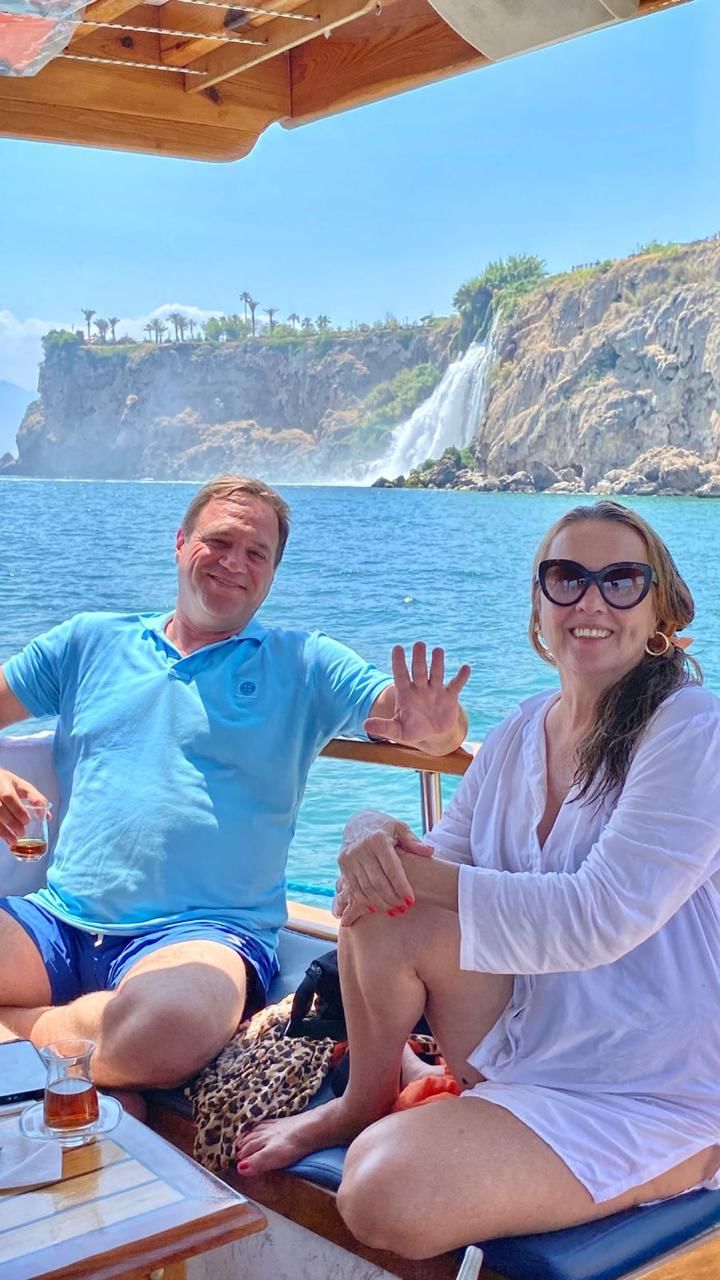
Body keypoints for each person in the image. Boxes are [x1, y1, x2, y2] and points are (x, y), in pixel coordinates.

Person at [235, 500, 720, 1260]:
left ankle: (688, 1164)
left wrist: (394, 864)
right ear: (538, 606)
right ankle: (362, 1102)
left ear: (659, 611)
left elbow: (597, 916)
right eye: (566, 577)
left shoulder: (691, 729)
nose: (591, 600)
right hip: (527, 1035)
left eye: (622, 580)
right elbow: (430, 869)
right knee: (382, 900)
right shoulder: (524, 729)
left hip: (644, 1086)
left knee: (382, 1191)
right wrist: (369, 833)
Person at [0, 474, 469, 1092]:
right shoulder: (90, 641)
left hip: (203, 932)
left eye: (257, 554)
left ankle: (23, 1031)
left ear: (272, 574)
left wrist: (436, 727)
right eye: (219, 542)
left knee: (169, 1029)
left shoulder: (303, 662)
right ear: (179, 542)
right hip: (56, 921)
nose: (234, 564)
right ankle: (87, 1052)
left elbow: (421, 726)